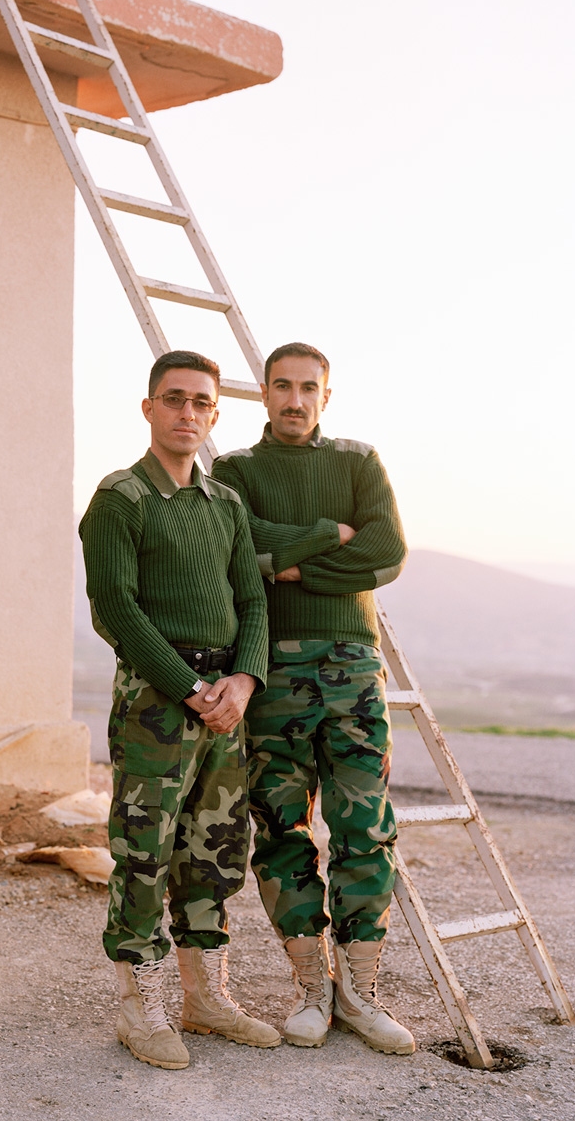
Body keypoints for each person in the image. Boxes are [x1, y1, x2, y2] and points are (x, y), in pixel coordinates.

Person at [211, 341, 414, 1056]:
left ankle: (362, 993)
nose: (294, 399)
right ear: (262, 394)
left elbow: (386, 554)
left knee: (366, 829)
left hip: (354, 666)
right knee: (282, 830)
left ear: (326, 396)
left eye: (308, 388)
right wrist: (331, 536)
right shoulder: (234, 470)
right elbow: (243, 551)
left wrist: (291, 566)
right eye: (281, 387)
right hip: (272, 671)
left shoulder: (357, 461)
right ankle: (311, 990)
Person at [79, 349, 278, 1071]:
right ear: (149, 408)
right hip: (158, 703)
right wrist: (188, 690)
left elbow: (252, 600)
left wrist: (244, 682)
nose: (187, 413)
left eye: (201, 402)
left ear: (215, 414)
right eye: (174, 399)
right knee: (145, 850)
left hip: (227, 700)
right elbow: (117, 611)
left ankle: (206, 999)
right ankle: (142, 1006)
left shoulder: (223, 504)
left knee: (215, 850)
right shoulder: (121, 498)